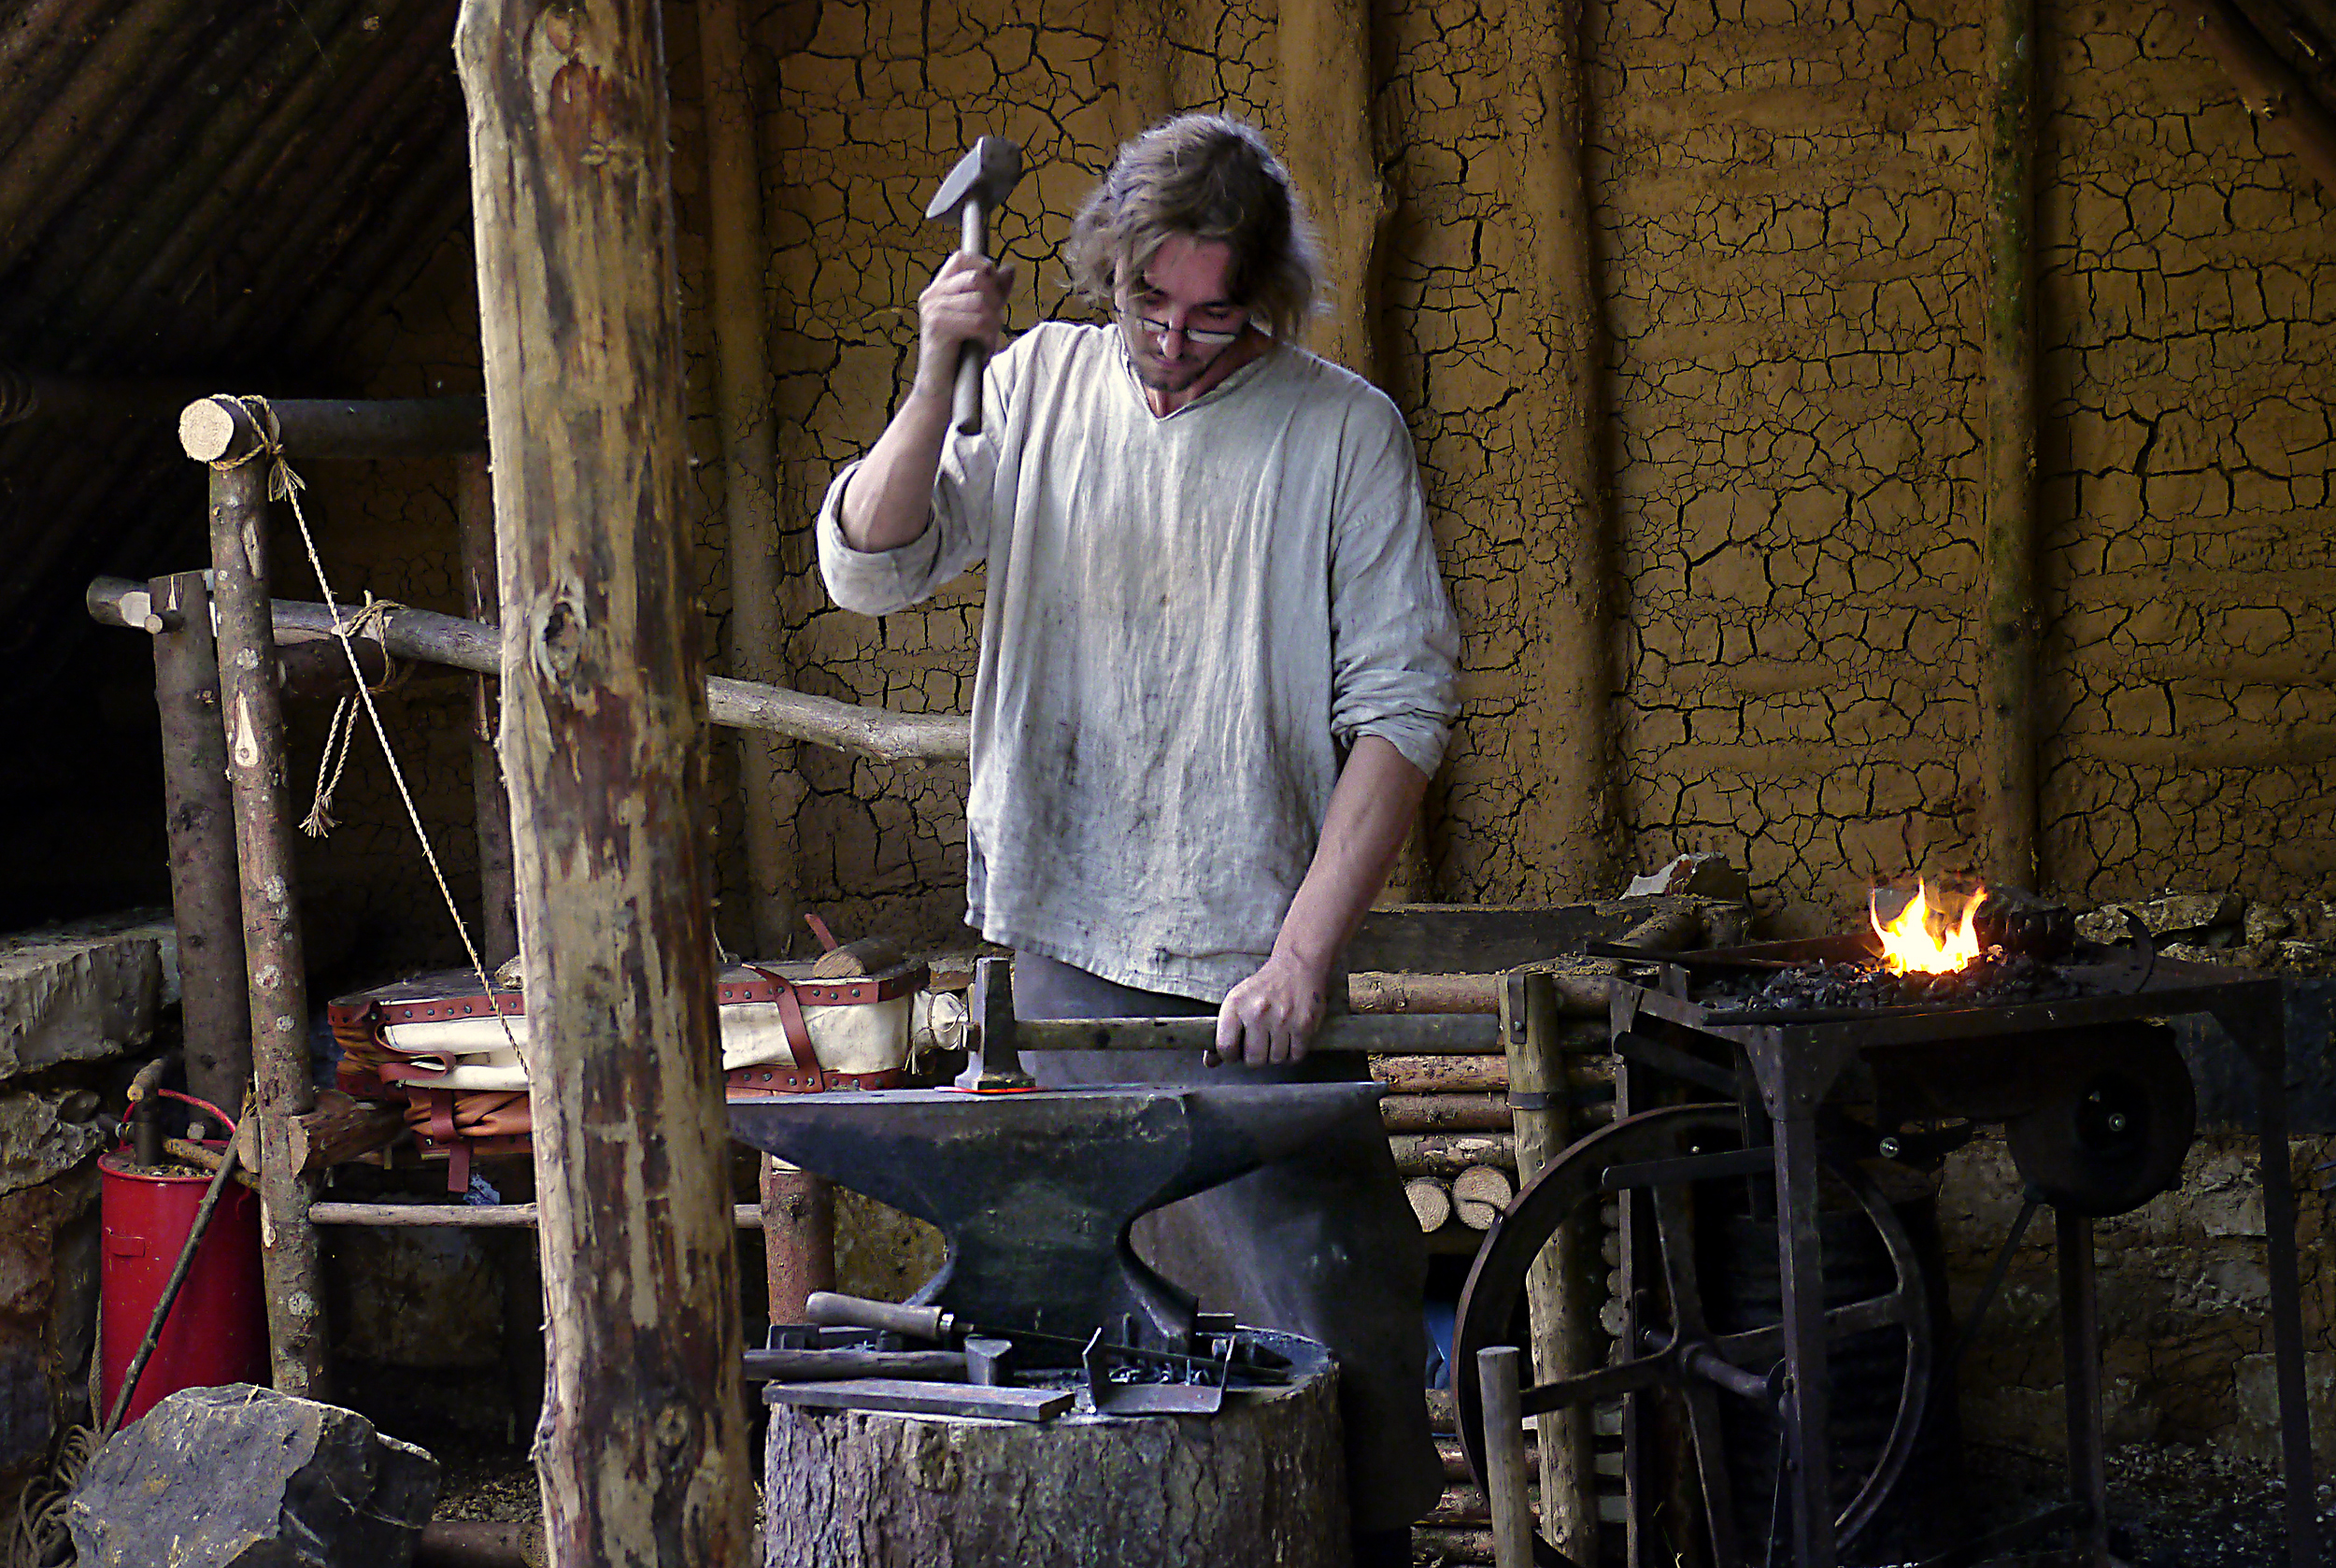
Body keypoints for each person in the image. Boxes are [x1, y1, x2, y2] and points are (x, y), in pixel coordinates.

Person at [816, 114, 1459, 1563]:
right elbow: (871, 557)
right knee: (1083, 1348)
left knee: (1330, 1320)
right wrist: (936, 371)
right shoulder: (1032, 382)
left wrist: (1302, 955)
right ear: (1105, 269)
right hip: (1061, 942)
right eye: (1144, 303)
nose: (1172, 341)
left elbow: (1404, 714)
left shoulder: (1342, 431)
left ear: (1266, 296)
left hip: (1251, 977)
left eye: (1211, 313)